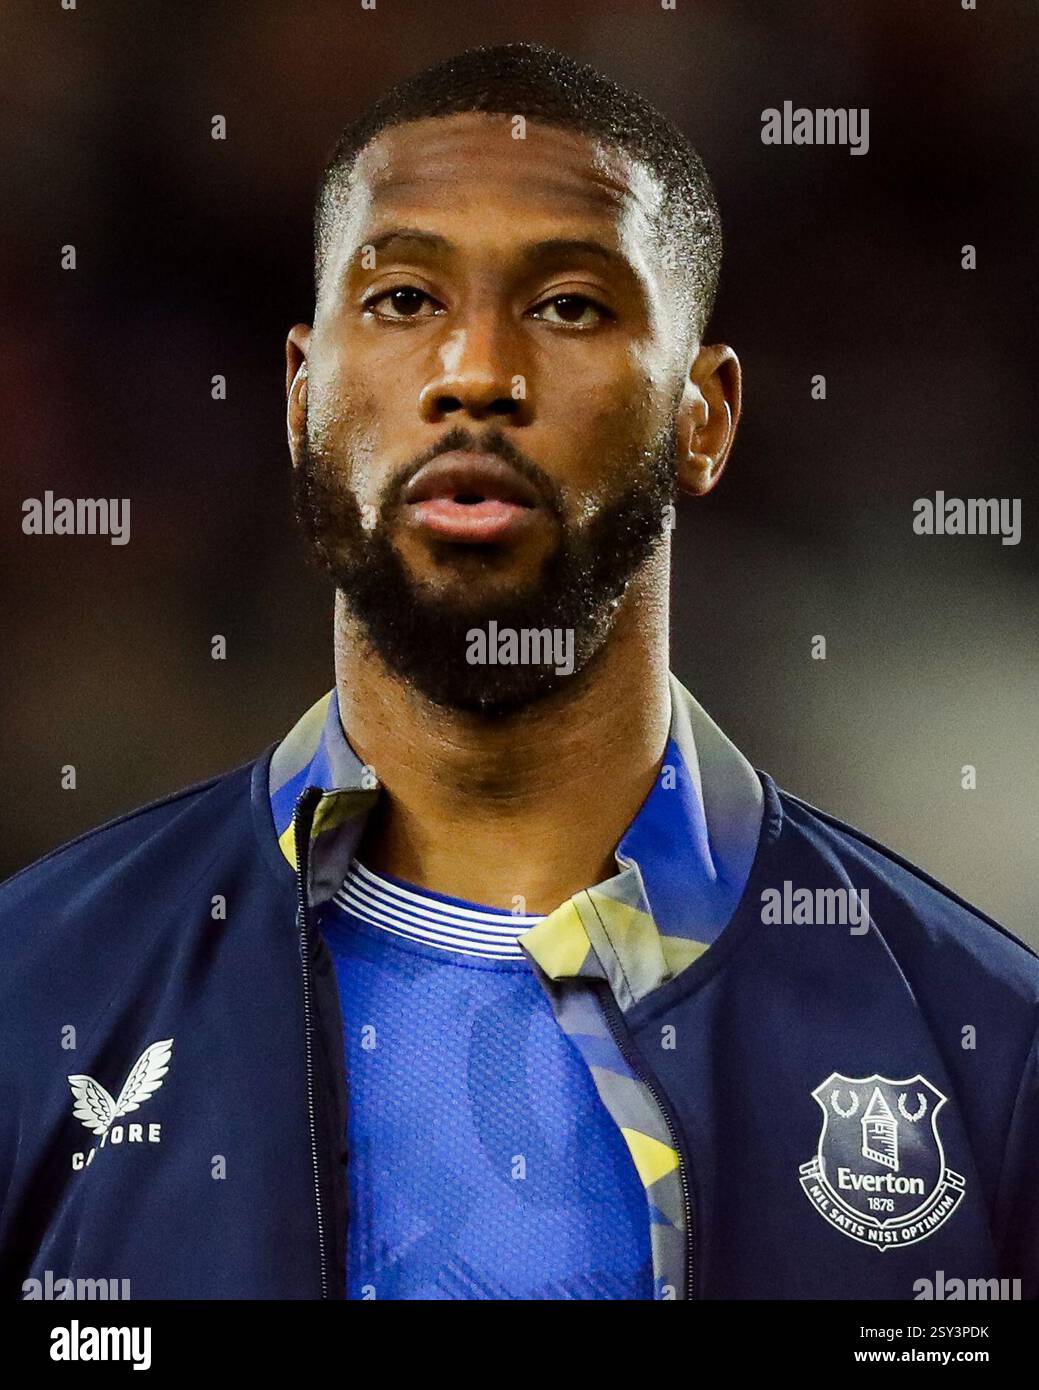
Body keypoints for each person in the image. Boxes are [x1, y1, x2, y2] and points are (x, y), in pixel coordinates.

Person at [2, 43, 1036, 1302]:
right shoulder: (32, 995)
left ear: (702, 416)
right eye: (400, 302)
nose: (476, 374)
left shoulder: (983, 1048)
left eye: (569, 306)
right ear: (297, 394)